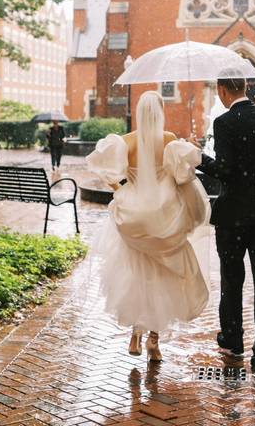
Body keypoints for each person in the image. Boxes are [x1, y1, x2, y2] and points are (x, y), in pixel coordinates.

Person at [86, 91, 210, 362]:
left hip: (134, 217)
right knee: (162, 279)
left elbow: (105, 172)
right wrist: (187, 150)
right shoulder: (168, 140)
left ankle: (135, 335)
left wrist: (123, 190)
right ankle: (154, 341)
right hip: (164, 218)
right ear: (161, 111)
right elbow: (182, 176)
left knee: (135, 274)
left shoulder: (125, 142)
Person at [196, 70, 255, 376]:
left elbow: (224, 170)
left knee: (232, 278)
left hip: (234, 214)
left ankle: (233, 340)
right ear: (247, 88)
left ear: (223, 90)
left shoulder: (223, 122)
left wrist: (199, 158)